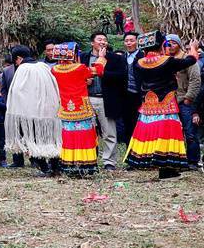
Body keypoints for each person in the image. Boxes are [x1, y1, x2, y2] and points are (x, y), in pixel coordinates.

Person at [126, 32, 199, 178]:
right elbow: (191, 60)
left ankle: (148, 162)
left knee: (151, 133)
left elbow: (139, 82)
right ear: (161, 45)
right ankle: (167, 169)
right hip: (166, 104)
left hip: (148, 105)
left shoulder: (138, 62)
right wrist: (193, 48)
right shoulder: (167, 61)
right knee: (167, 135)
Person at [4, 45, 62, 175]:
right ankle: (55, 167)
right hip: (50, 111)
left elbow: (18, 91)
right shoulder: (44, 66)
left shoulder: (23, 68)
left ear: (18, 58)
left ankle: (45, 168)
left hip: (30, 113)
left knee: (31, 139)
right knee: (51, 139)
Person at [51, 42, 104, 178]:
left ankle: (70, 165)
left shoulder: (54, 69)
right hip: (81, 108)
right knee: (84, 136)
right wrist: (101, 57)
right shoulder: (79, 68)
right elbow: (98, 71)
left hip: (66, 110)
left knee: (69, 137)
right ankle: (86, 164)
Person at [80, 32, 119, 171]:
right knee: (88, 131)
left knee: (108, 132)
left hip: (105, 98)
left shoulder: (113, 58)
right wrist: (84, 81)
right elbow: (76, 74)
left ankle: (109, 162)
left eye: (105, 40)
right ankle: (90, 160)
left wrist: (102, 74)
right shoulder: (83, 57)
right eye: (99, 39)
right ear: (92, 43)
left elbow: (120, 76)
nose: (102, 42)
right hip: (87, 98)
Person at [166, 35, 201, 170]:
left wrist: (188, 98)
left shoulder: (188, 59)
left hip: (184, 101)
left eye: (173, 43)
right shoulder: (166, 60)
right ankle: (178, 160)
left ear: (179, 44)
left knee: (190, 132)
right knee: (174, 133)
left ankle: (193, 161)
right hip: (169, 102)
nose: (170, 46)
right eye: (168, 43)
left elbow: (195, 80)